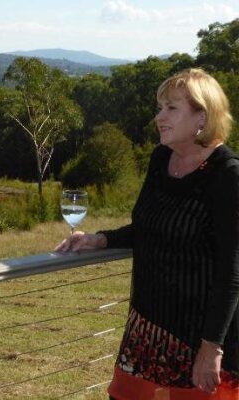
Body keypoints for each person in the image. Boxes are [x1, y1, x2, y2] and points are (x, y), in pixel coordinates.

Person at [55, 68, 239, 399]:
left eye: (171, 108)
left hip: (200, 341)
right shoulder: (161, 159)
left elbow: (232, 273)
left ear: (202, 116)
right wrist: (100, 239)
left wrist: (212, 348)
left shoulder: (228, 175)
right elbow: (147, 228)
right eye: (160, 107)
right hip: (146, 332)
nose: (159, 117)